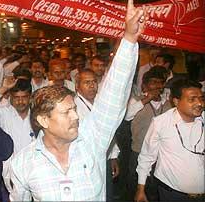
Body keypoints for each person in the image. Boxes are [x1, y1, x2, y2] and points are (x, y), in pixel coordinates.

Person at [9, 0, 143, 201]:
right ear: (43, 119)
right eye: (67, 112)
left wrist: (128, 40)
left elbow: (113, 96)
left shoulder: (92, 139)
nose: (76, 116)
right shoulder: (22, 163)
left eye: (74, 109)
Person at [135, 79, 204, 202]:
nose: (199, 103)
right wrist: (141, 189)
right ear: (176, 101)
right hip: (172, 194)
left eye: (201, 98)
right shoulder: (161, 122)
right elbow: (146, 156)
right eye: (192, 99)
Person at [74, 68, 121, 201]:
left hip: (104, 158)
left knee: (107, 195)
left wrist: (113, 156)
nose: (92, 85)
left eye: (94, 81)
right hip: (85, 163)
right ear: (77, 86)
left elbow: (109, 131)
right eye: (86, 82)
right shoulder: (74, 106)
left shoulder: (101, 103)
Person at [125, 67, 171, 200]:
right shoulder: (135, 100)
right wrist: (146, 99)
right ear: (144, 85)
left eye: (160, 82)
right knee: (135, 187)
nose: (157, 85)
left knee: (156, 188)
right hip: (138, 151)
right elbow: (127, 116)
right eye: (153, 82)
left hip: (162, 154)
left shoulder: (168, 103)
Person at [0, 77, 35, 154]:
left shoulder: (37, 117)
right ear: (10, 97)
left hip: (32, 164)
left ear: (30, 97)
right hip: (10, 165)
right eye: (16, 97)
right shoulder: (3, 114)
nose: (20, 101)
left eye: (24, 97)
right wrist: (3, 89)